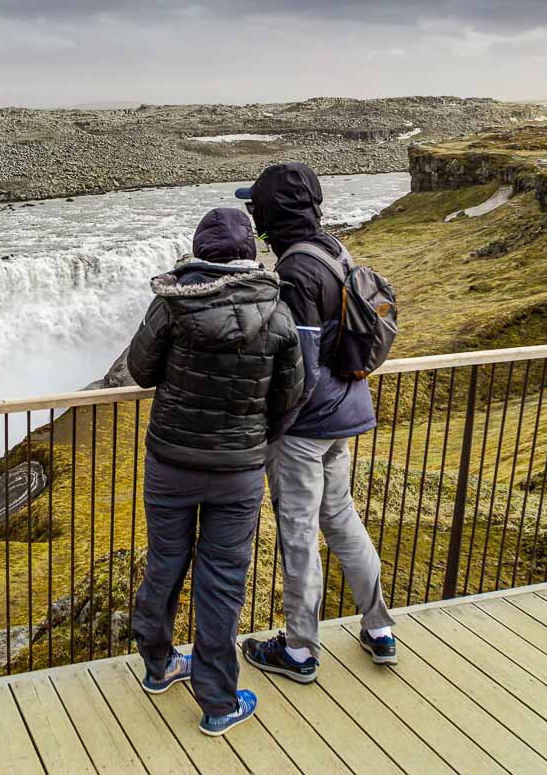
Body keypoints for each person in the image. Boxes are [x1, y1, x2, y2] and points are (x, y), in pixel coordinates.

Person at [126, 206, 304, 736]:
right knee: (222, 582)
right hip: (238, 473)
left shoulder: (172, 304)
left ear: (199, 248)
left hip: (170, 463)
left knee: (165, 564)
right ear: (250, 250)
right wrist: (255, 441)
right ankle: (219, 702)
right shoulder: (278, 313)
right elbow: (289, 396)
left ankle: (158, 666)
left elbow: (140, 371)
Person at [237, 163, 398, 683]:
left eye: (255, 207)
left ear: (270, 215)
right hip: (344, 411)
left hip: (307, 428)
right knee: (342, 517)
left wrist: (275, 425)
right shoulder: (331, 249)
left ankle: (301, 651)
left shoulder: (295, 272)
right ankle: (379, 630)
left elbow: (299, 364)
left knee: (299, 532)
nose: (252, 216)